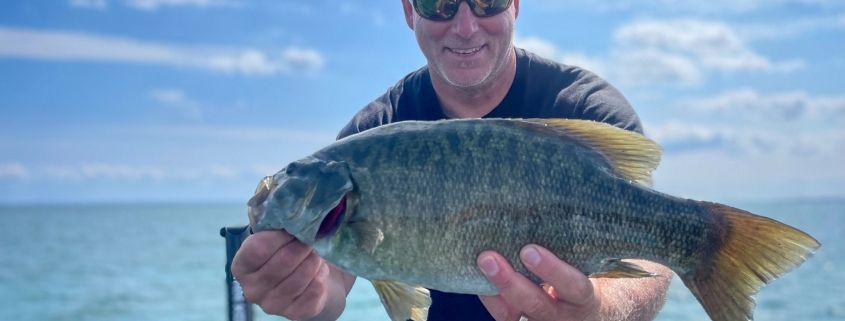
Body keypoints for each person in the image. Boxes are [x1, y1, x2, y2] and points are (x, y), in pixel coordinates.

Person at [231, 0, 673, 320]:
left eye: (487, 2)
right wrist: (303, 293)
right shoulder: (373, 131)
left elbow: (654, 252)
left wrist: (602, 309)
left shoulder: (586, 108)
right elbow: (330, 284)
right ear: (409, 10)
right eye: (439, 4)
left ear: (514, 6)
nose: (465, 26)